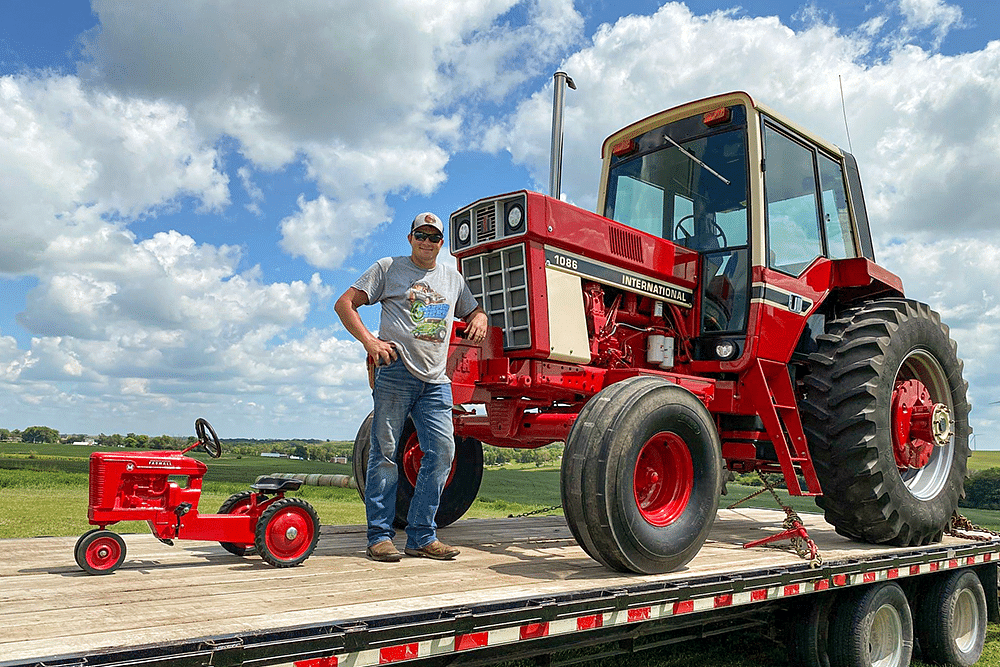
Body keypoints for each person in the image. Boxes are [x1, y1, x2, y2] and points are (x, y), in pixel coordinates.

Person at [335, 212, 488, 562]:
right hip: (396, 372)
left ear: (441, 243)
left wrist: (478, 317)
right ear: (410, 238)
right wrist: (369, 342)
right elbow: (345, 304)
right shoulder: (388, 268)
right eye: (421, 234)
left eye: (434, 237)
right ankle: (379, 537)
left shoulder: (452, 278)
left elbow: (474, 310)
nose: (427, 242)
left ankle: (421, 535)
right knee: (386, 454)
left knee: (442, 454)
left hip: (436, 381)